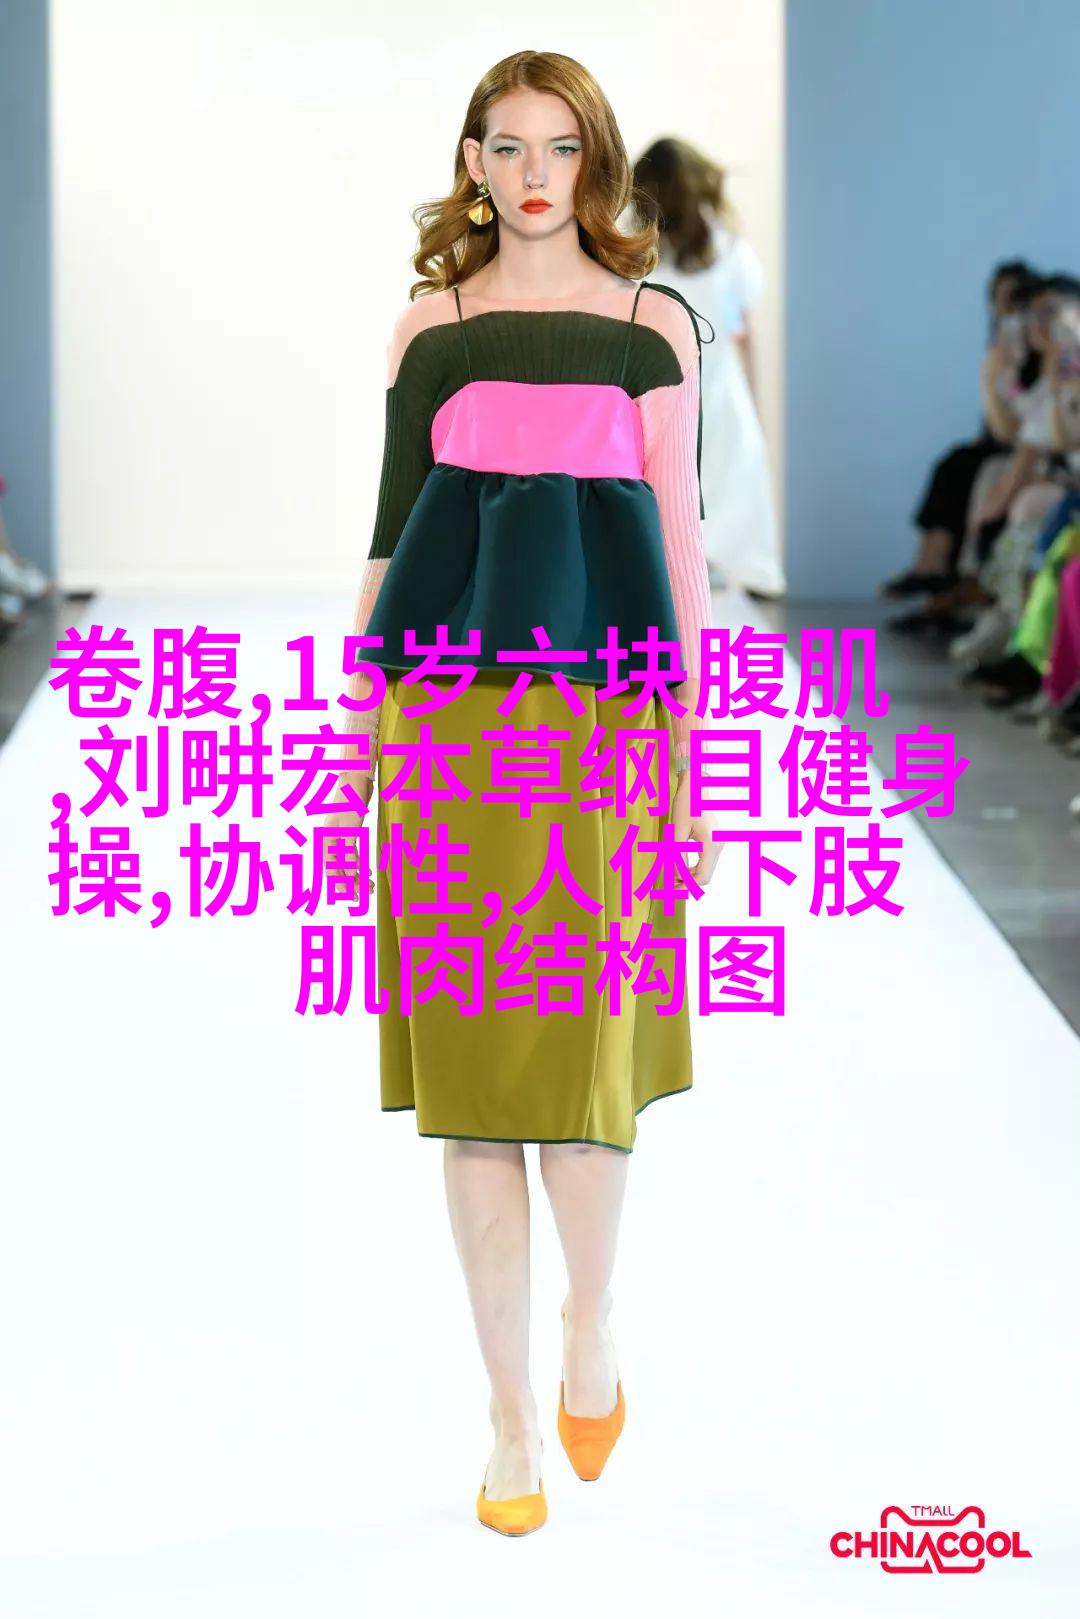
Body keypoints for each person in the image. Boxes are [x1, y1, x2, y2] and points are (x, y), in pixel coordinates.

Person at [330, 51, 720, 1536]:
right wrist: (353, 746)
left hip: (607, 735)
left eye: (562, 146)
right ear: (474, 163)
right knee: (480, 1095)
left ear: (596, 161)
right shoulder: (430, 332)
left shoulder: (650, 329)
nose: (536, 173)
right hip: (448, 736)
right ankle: (506, 1417)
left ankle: (589, 1319)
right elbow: (390, 542)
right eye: (509, 146)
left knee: (585, 1075)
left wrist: (693, 765)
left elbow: (677, 554)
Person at [631, 137, 786, 598]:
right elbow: (744, 335)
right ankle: (730, 571)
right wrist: (754, 402)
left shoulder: (637, 254)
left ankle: (685, 570)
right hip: (719, 391)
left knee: (673, 485)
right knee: (728, 480)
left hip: (660, 391)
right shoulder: (727, 249)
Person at [881, 259, 1036, 601]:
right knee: (953, 463)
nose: (1005, 306)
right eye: (998, 298)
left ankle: (947, 577)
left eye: (1013, 298)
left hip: (1019, 445)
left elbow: (1017, 422)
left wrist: (993, 374)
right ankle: (929, 567)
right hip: (1002, 440)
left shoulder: (1031, 354)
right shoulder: (1000, 349)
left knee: (969, 469)